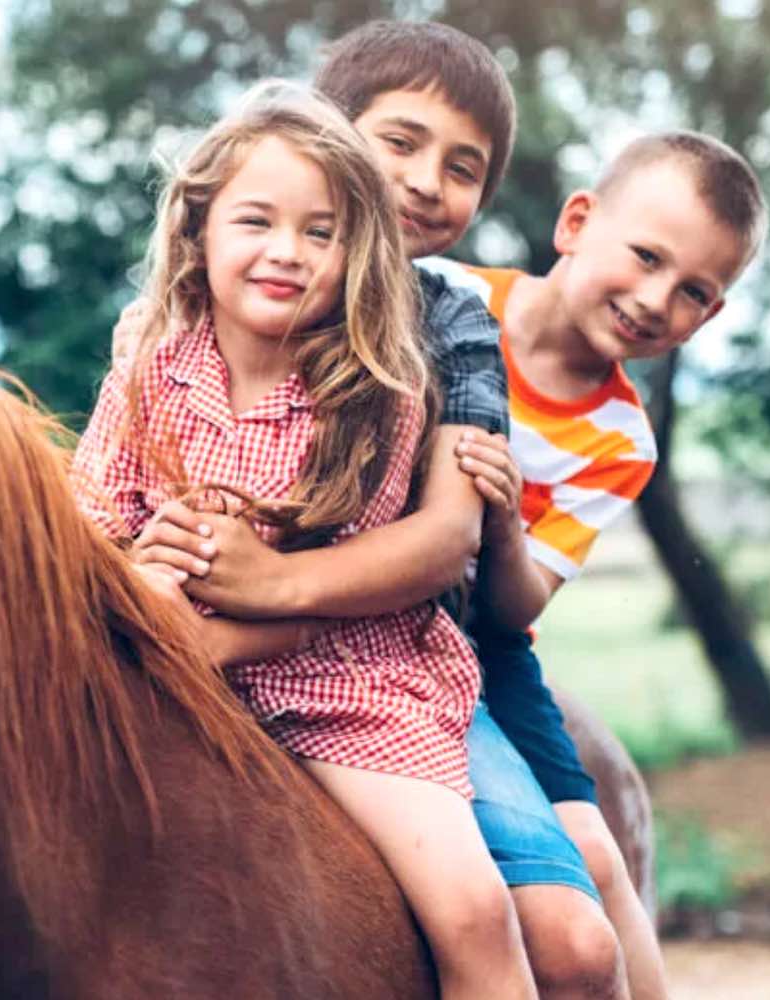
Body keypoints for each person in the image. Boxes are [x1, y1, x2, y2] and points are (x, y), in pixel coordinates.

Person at [123, 21, 633, 999]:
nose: (427, 181)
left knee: (572, 942)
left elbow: (448, 540)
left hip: (395, 662)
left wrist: (261, 593)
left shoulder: (438, 328)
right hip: (208, 626)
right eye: (398, 143)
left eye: (462, 166)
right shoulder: (195, 311)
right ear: (325, 137)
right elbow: (120, 487)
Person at [71, 81, 538, 1000]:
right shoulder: (151, 367)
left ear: (356, 255)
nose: (287, 253)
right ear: (198, 233)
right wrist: (139, 577)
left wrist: (192, 643)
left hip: (345, 686)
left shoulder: (378, 390)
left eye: (321, 233)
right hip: (167, 655)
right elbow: (94, 520)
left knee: (474, 912)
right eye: (256, 222)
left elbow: (330, 596)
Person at [434, 129, 768, 1000]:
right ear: (577, 221)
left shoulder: (619, 438)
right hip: (373, 601)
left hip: (481, 649)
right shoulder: (444, 296)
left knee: (595, 854)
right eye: (647, 257)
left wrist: (501, 522)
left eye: (694, 291)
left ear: (713, 314)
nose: (657, 299)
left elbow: (514, 609)